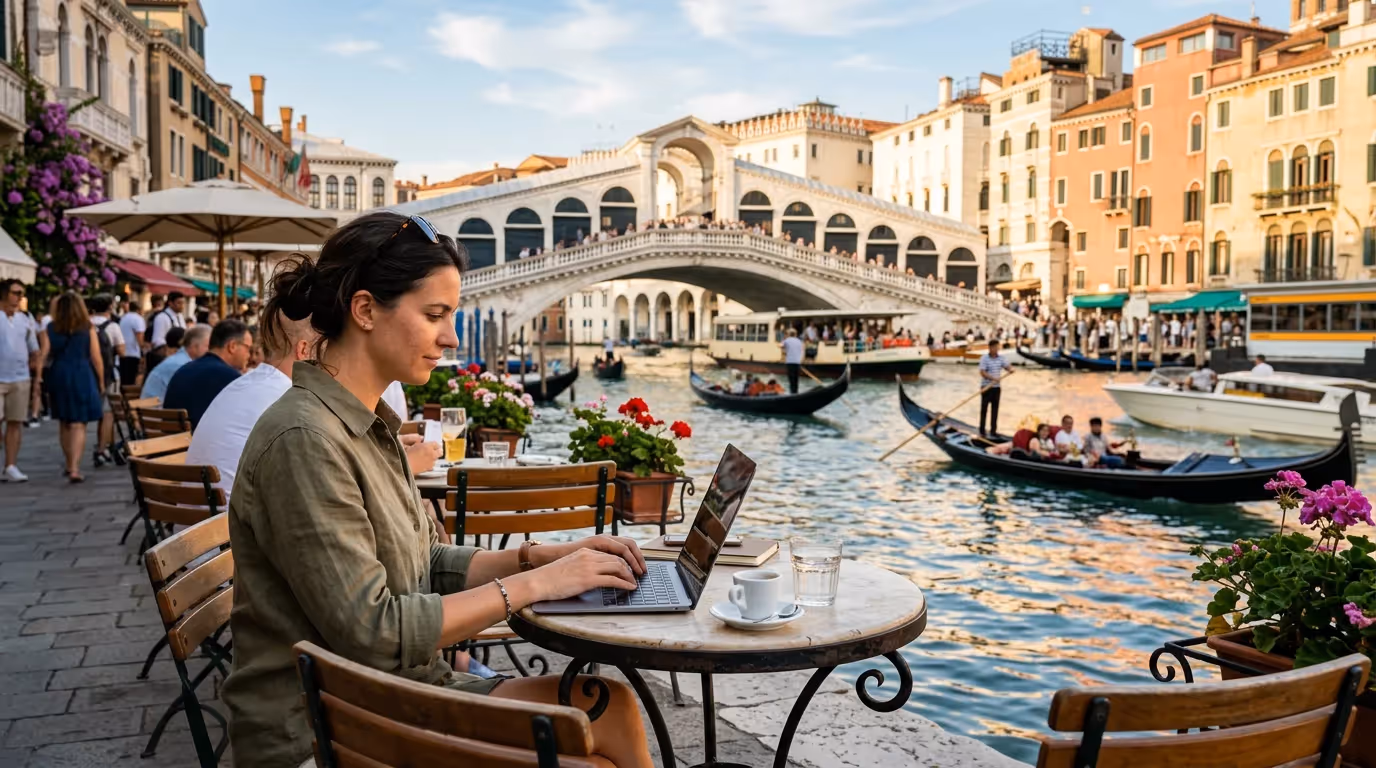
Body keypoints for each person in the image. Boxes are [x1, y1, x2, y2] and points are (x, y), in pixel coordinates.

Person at [221, 211, 653, 768]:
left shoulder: (365, 423)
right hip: (325, 728)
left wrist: (544, 557)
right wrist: (539, 584)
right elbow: (374, 631)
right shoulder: (305, 440)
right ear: (365, 310)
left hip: (391, 696)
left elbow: (426, 560)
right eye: (435, 315)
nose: (450, 337)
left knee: (610, 708)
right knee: (594, 739)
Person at [43, 292, 104, 482]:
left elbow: (44, 354)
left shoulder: (51, 328)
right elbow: (96, 357)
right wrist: (101, 381)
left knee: (64, 421)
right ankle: (75, 468)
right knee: (79, 423)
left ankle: (69, 464)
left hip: (59, 373)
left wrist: (38, 379)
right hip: (81, 373)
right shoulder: (87, 327)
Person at [163, 320, 253, 429]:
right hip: (199, 439)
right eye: (248, 348)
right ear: (232, 346)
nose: (250, 355)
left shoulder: (184, 369)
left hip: (170, 438)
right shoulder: (230, 378)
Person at [0, 279, 39, 482]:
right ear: (4, 294)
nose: (19, 297)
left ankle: (11, 465)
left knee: (15, 422)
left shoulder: (25, 318)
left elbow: (34, 347)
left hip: (20, 377)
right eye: (16, 293)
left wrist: (35, 374)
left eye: (21, 294)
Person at [87, 294, 126, 467]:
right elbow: (122, 351)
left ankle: (102, 446)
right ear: (110, 307)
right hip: (109, 374)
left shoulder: (86, 324)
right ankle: (102, 448)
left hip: (88, 373)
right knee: (108, 413)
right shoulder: (113, 326)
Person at [141, 326, 203, 400]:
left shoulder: (179, 360)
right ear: (194, 346)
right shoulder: (181, 364)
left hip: (153, 404)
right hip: (158, 406)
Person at [978, 339, 1012, 437]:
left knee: (995, 410)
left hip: (996, 388)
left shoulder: (1001, 358)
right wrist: (993, 378)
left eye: (998, 347)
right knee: (984, 409)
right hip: (986, 387)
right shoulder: (984, 358)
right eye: (995, 347)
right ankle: (982, 430)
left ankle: (993, 431)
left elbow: (1007, 366)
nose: (997, 349)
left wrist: (1011, 369)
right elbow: (982, 372)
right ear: (990, 348)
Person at [147, 291, 187, 373]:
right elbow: (157, 341)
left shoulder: (180, 317)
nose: (182, 306)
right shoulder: (162, 317)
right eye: (179, 303)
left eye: (183, 303)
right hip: (167, 358)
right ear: (170, 303)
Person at [118, 298, 147, 386]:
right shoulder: (138, 319)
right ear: (139, 309)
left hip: (123, 353)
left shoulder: (123, 318)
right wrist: (143, 351)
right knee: (132, 381)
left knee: (124, 381)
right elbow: (139, 336)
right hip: (133, 353)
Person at [780, 327, 804, 394]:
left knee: (791, 379)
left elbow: (780, 345)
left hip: (790, 362)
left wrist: (784, 340)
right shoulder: (799, 341)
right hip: (797, 362)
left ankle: (792, 393)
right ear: (795, 334)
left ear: (789, 334)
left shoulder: (787, 340)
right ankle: (796, 392)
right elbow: (801, 350)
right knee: (796, 379)